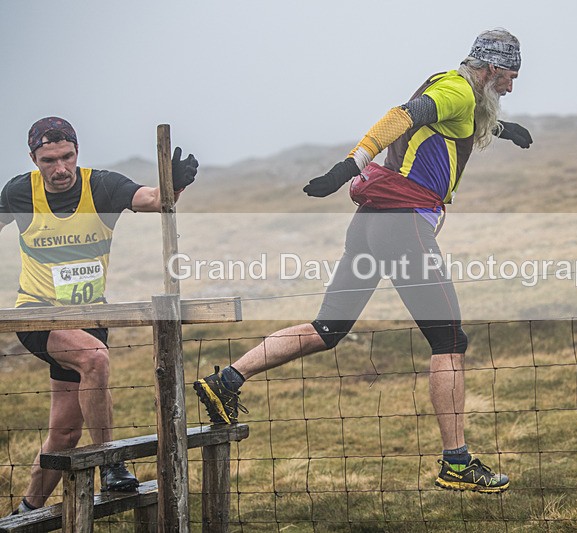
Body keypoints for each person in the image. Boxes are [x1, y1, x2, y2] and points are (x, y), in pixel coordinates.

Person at [194, 28, 531, 494]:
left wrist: (499, 129)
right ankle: (456, 461)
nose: (512, 87)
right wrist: (348, 166)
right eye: (511, 76)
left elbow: (441, 127)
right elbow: (399, 118)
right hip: (402, 227)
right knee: (449, 340)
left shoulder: (457, 91)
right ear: (492, 68)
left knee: (326, 330)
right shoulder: (455, 90)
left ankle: (228, 379)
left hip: (370, 224)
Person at [0, 117, 198, 514]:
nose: (59, 169)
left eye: (66, 157)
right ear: (33, 159)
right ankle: (110, 462)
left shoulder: (102, 186)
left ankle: (26, 510)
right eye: (48, 160)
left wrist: (175, 184)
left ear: (77, 152)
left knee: (66, 432)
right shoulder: (20, 192)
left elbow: (154, 200)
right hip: (38, 314)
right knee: (94, 358)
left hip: (90, 316)